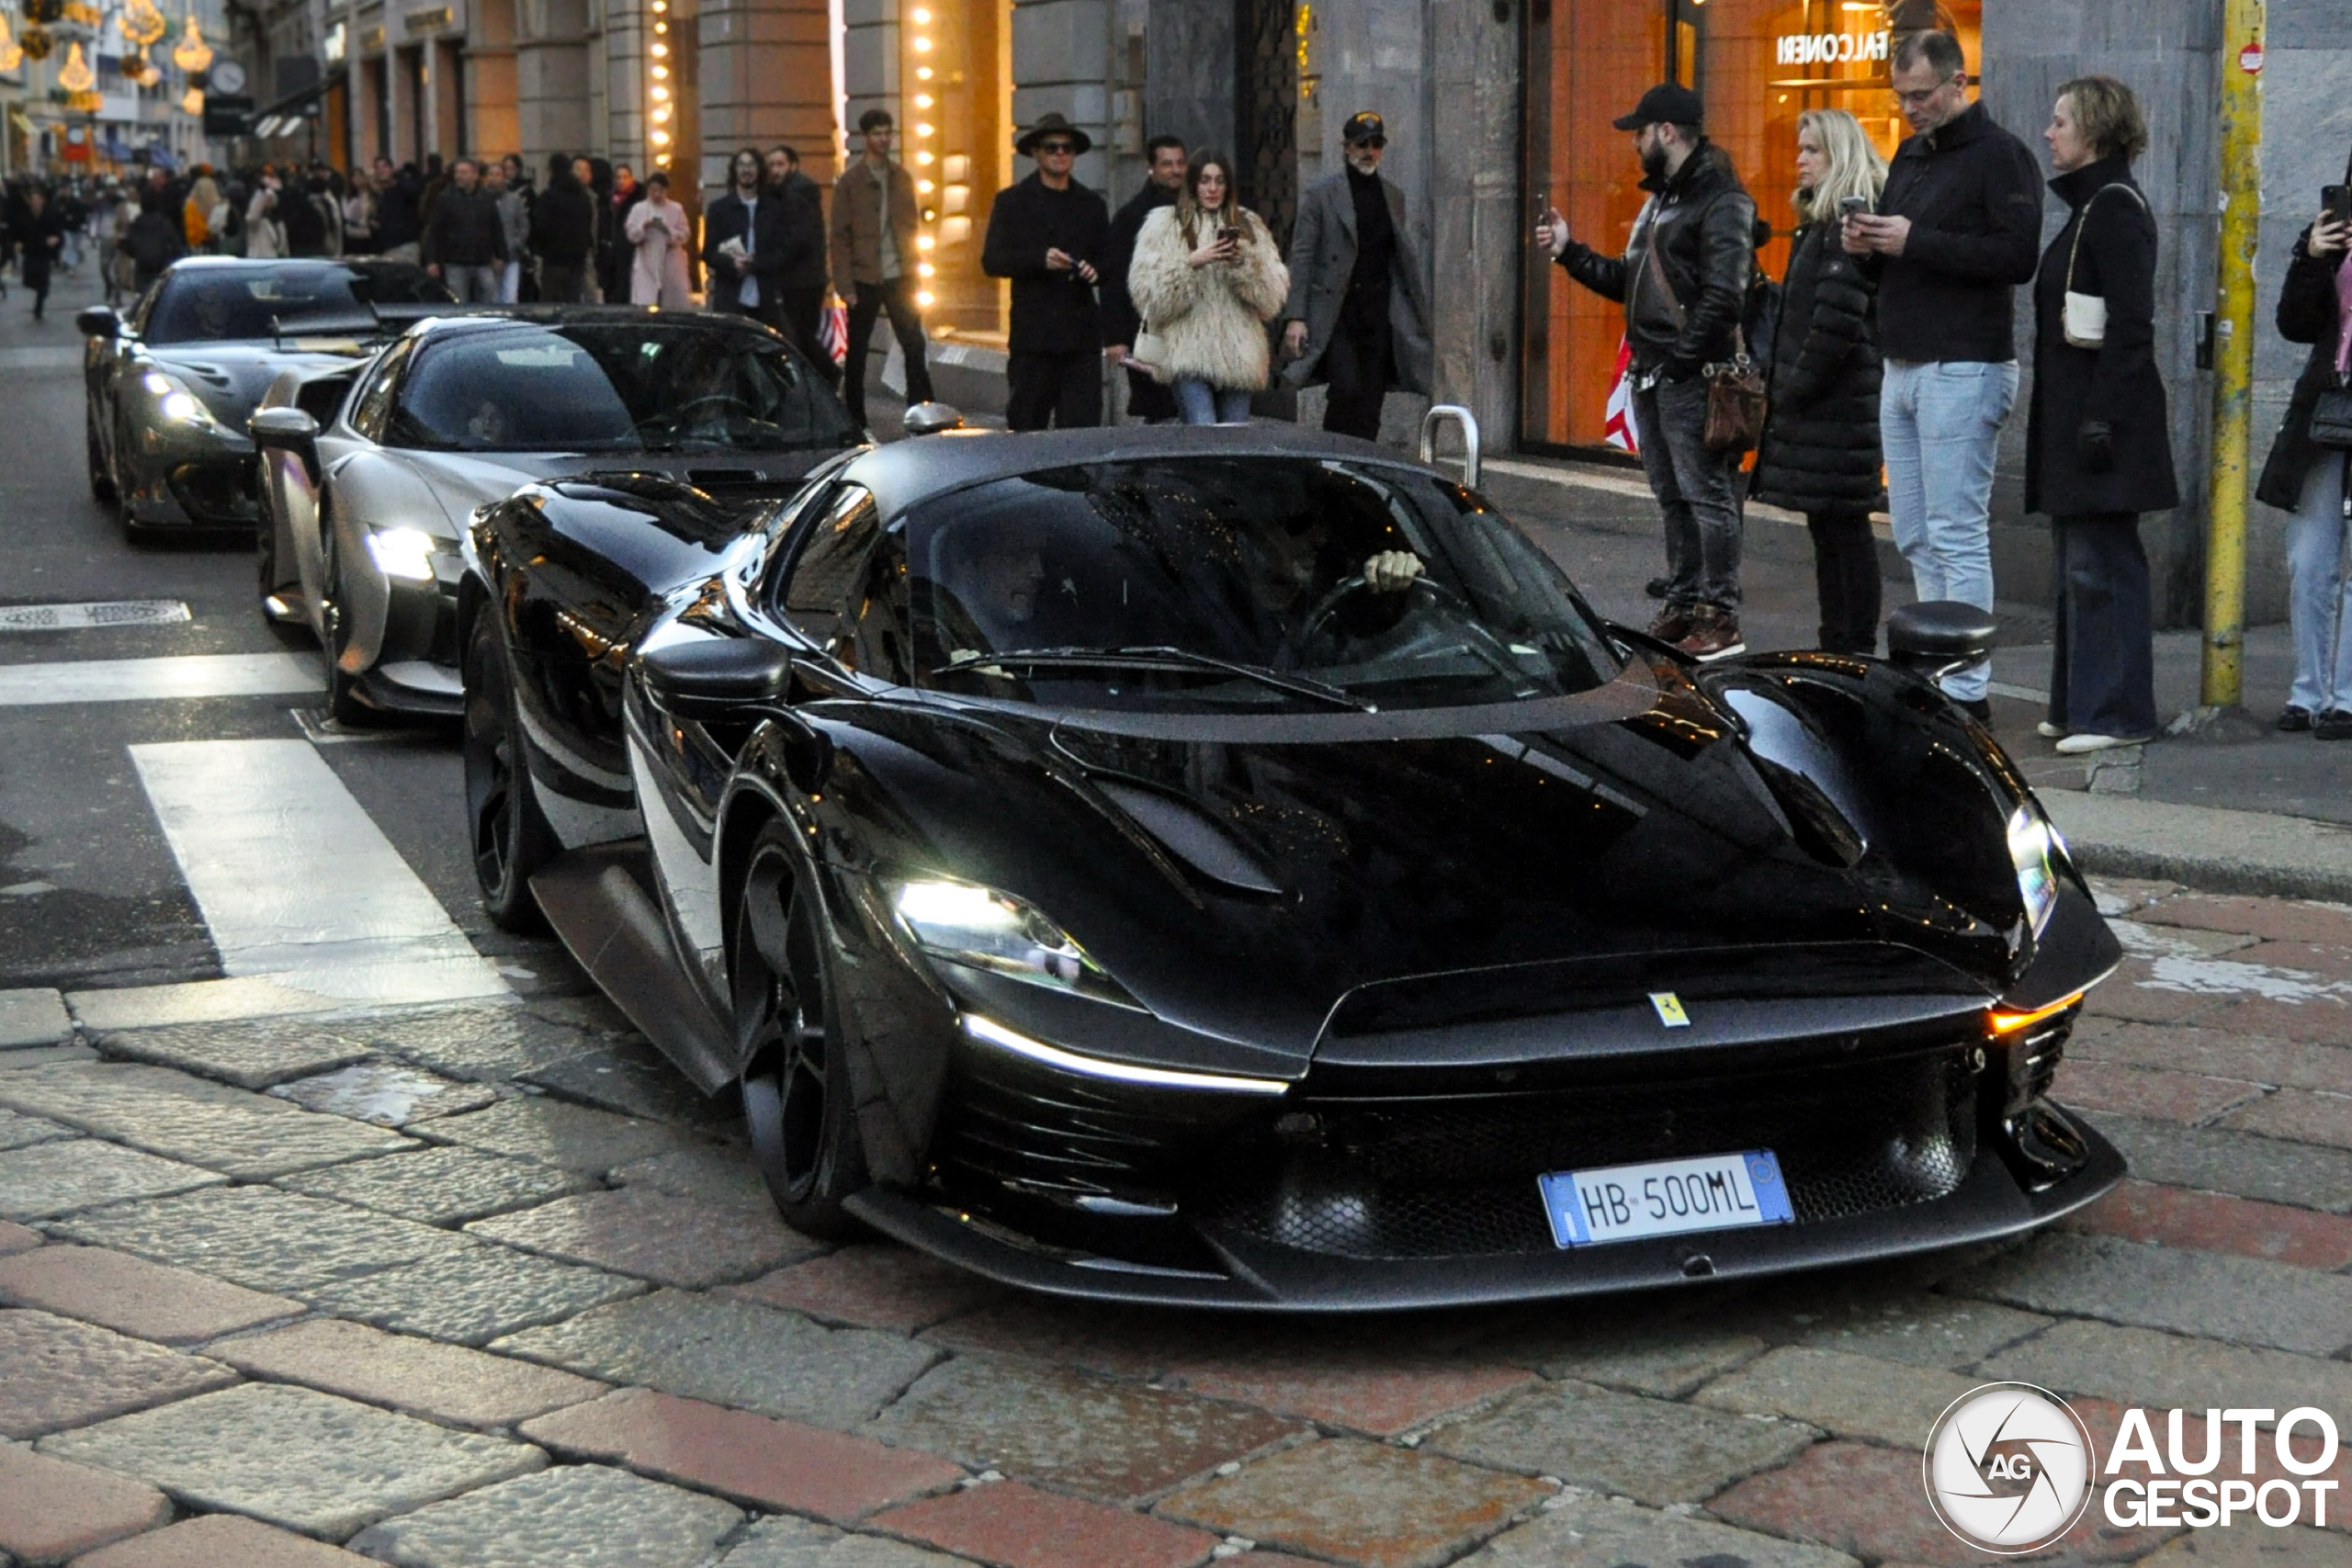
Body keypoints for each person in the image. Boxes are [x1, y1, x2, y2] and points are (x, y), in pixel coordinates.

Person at [1843, 29, 2042, 717]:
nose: (1910, 109)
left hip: (1964, 364)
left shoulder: (2001, 156)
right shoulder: (1910, 155)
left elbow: (2018, 255)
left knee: (1955, 529)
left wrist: (1912, 240)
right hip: (1905, 361)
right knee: (1916, 530)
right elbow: (1904, 256)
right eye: (1901, 97)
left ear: (1959, 83)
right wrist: (1869, 247)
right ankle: (1938, 663)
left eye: (1921, 95)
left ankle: (1965, 687)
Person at [1539, 84, 1759, 659]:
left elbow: (1725, 297)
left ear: (1666, 132)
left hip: (1689, 373)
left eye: (1639, 132)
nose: (1634, 143)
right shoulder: (1660, 201)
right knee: (1672, 496)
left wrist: (1683, 364)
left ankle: (1719, 613)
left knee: (1706, 495)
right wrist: (1569, 251)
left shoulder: (1722, 201)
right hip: (1654, 371)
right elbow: (1626, 282)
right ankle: (1685, 601)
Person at [2024, 77, 2176, 752]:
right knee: (2079, 562)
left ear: (2092, 129)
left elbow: (2132, 325)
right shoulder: (2094, 206)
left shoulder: (2112, 208)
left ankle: (2113, 712)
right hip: (2083, 415)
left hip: (2101, 419)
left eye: (2060, 122)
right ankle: (2080, 703)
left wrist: (2102, 417)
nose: (2050, 133)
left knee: (2101, 562)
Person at [1751, 109, 1887, 655]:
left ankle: (1850, 648)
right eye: (1800, 149)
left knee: (1845, 533)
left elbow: (1836, 321)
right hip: (1827, 409)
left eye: (1813, 151)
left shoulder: (1846, 230)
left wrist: (1789, 390)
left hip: (1837, 409)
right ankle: (1838, 644)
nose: (1800, 160)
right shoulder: (1819, 225)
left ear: (1840, 155)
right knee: (1829, 533)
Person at [2256, 146, 2352, 739]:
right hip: (2326, 414)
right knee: (2309, 560)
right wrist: (2313, 257)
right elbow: (2293, 323)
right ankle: (2308, 690)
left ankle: (2347, 696)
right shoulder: (2332, 233)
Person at [1280, 111, 1434, 446]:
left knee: (1371, 398)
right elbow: (1302, 257)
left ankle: (1361, 467)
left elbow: (1397, 259)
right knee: (1346, 388)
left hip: (1378, 313)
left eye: (1377, 144)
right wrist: (1296, 316)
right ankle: (1332, 458)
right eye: (1362, 144)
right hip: (1338, 314)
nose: (1370, 151)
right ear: (1346, 147)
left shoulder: (1393, 196)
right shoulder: (1321, 195)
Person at [1126, 150, 1288, 425]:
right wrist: (1191, 264)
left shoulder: (1249, 225)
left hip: (1239, 355)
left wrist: (1243, 264)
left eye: (1219, 181)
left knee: (1234, 442)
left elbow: (1271, 299)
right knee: (1202, 430)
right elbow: (1149, 300)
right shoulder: (1165, 224)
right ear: (1193, 183)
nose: (1212, 189)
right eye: (1204, 180)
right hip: (1188, 353)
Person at [982, 112, 1111, 430]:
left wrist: (1096, 271)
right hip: (1033, 340)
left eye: (1067, 148)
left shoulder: (1091, 204)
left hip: (1079, 339)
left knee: (1081, 432)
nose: (1060, 154)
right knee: (1027, 430)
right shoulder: (1012, 202)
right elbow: (993, 260)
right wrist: (1039, 259)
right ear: (1036, 153)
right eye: (1051, 147)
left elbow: (1109, 261)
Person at [831, 109, 934, 428]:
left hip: (900, 273)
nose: (884, 138)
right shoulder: (850, 181)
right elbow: (839, 236)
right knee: (858, 349)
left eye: (888, 132)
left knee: (913, 342)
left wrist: (915, 271)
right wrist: (845, 285)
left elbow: (912, 227)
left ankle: (922, 408)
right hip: (864, 275)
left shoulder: (901, 177)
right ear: (866, 137)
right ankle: (854, 413)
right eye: (877, 133)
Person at [1100, 134, 1187, 423]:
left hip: (1192, 332)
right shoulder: (1131, 217)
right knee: (1160, 411)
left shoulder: (1198, 209)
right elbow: (1114, 280)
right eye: (1167, 164)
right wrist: (1116, 339)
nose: (1175, 170)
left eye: (1180, 163)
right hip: (1147, 331)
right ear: (1151, 168)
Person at [765, 147, 833, 381]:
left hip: (801, 279)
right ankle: (822, 378)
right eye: (772, 165)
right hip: (805, 277)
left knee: (798, 336)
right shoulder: (788, 191)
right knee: (801, 334)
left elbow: (797, 239)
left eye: (780, 164)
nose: (775, 170)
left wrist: (770, 261)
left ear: (792, 165)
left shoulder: (797, 193)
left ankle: (827, 374)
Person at [704, 147, 788, 324]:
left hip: (765, 299)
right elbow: (708, 253)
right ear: (734, 171)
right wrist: (732, 264)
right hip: (731, 297)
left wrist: (755, 263)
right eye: (741, 165)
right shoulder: (719, 209)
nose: (746, 170)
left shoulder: (773, 209)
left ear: (759, 171)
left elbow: (782, 251)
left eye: (751, 165)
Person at [423, 157, 508, 303]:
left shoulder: (487, 198)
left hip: (483, 260)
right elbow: (435, 231)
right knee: (460, 303)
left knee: (488, 300)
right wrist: (431, 260)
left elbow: (496, 227)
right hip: (456, 262)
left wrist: (501, 255)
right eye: (457, 172)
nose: (459, 176)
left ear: (475, 175)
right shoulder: (446, 199)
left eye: (464, 172)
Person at [531, 154, 597, 304]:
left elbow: (541, 227)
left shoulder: (548, 197)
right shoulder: (582, 197)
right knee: (573, 300)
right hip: (577, 259)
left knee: (549, 301)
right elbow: (587, 224)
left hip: (553, 259)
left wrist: (540, 250)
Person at [625, 171, 694, 307]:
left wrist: (668, 231)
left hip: (671, 259)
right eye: (653, 190)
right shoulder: (639, 208)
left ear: (666, 190)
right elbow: (630, 233)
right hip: (646, 259)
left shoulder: (676, 208)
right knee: (645, 301)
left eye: (660, 191)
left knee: (674, 302)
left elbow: (685, 233)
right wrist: (643, 228)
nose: (656, 194)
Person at [119, 194, 186, 296]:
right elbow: (176, 245)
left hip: (142, 268)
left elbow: (130, 248)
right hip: (160, 267)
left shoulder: (136, 224)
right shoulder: (164, 223)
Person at [17, 186, 62, 320]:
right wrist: (17, 242)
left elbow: (58, 232)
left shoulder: (50, 215)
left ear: (42, 201)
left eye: (38, 200)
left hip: (44, 253)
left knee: (44, 283)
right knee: (28, 280)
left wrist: (55, 239)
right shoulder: (24, 215)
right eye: (33, 200)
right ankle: (40, 289)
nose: (36, 202)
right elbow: (18, 232)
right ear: (30, 202)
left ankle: (38, 307)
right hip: (29, 252)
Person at [489, 162, 530, 302]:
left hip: (511, 255)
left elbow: (523, 225)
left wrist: (516, 244)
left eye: (498, 174)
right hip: (489, 258)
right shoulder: (483, 199)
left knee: (510, 297)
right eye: (491, 174)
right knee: (492, 298)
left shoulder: (514, 200)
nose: (494, 178)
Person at [374, 157, 421, 262]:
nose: (381, 170)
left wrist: (399, 180)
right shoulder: (384, 194)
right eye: (378, 167)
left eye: (384, 166)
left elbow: (414, 193)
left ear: (392, 168)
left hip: (405, 244)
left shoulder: (403, 186)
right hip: (389, 246)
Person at [183, 171, 220, 254]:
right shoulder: (218, 205)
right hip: (216, 245)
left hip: (198, 246)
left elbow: (190, 226)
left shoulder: (191, 205)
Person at [343, 169, 378, 255]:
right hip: (352, 234)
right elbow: (347, 215)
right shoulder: (348, 196)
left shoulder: (370, 194)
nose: (357, 179)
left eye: (360, 176)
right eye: (355, 177)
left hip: (368, 235)